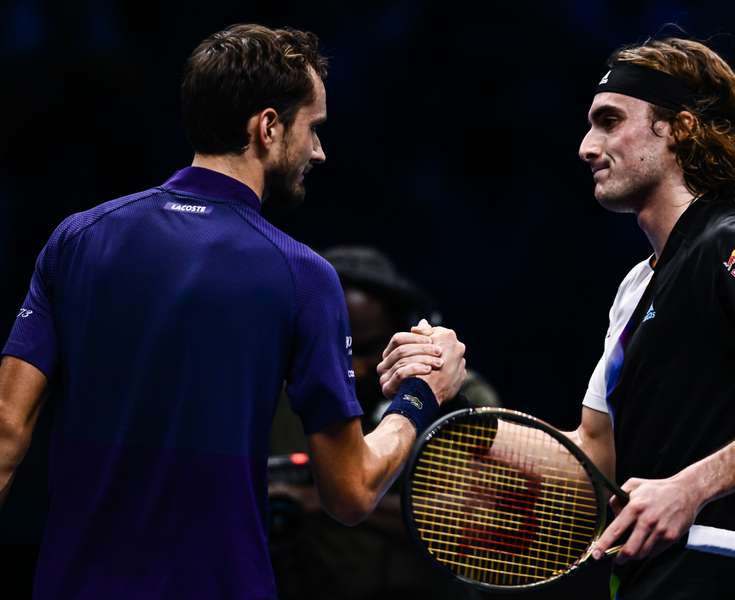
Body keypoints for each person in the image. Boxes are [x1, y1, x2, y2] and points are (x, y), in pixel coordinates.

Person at [380, 37, 735, 599]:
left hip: (733, 576)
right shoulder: (636, 286)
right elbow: (593, 451)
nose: (587, 147)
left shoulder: (731, 242)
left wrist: (689, 488)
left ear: (678, 128)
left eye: (609, 122)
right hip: (646, 582)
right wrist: (449, 399)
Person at [0, 24, 466, 600]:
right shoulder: (303, 276)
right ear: (267, 128)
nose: (320, 151)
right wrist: (421, 393)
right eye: (313, 129)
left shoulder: (77, 240)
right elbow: (350, 493)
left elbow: (4, 435)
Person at [267, 245, 499, 600]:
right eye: (342, 348)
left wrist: (321, 500)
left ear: (398, 330)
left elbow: (479, 516)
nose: (357, 366)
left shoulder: (457, 397)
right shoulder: (280, 400)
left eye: (369, 346)